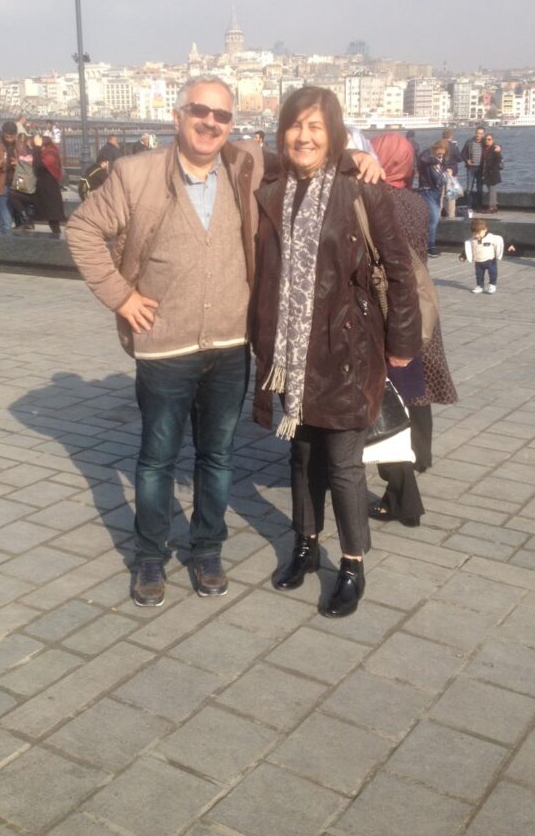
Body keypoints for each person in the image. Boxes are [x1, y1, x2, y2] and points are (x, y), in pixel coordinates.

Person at [66, 75, 383, 608]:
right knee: (156, 459)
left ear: (231, 126)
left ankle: (207, 549)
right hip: (164, 347)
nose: (211, 123)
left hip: (232, 345)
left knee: (217, 457)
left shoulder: (245, 165)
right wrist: (121, 297)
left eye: (222, 116)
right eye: (200, 112)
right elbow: (81, 230)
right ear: (177, 116)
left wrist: (357, 158)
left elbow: (310, 157)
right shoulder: (134, 173)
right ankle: (150, 557)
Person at [251, 87, 421, 618]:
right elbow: (236, 154)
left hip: (345, 347)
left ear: (335, 134)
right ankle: (305, 542)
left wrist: (402, 344)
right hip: (290, 352)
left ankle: (351, 563)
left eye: (317, 128)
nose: (304, 137)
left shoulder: (361, 190)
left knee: (345, 463)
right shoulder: (271, 187)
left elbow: (399, 268)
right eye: (295, 126)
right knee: (301, 453)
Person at [368, 132, 458, 522]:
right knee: (415, 394)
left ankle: (403, 495)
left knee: (391, 398)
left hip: (391, 311)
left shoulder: (376, 201)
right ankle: (420, 457)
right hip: (421, 310)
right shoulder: (418, 203)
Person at [417, 138, 448, 256]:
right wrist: (435, 159)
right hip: (427, 189)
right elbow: (422, 159)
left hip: (437, 191)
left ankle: (424, 243)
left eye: (444, 151)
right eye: (440, 151)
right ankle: (431, 245)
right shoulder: (427, 154)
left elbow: (442, 170)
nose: (442, 154)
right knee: (434, 218)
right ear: (436, 148)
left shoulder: (442, 158)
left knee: (430, 218)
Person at [461, 218, 504, 293]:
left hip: (490, 260)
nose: (477, 235)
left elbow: (499, 243)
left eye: (479, 233)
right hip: (478, 261)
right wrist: (463, 256)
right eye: (474, 233)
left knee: (492, 273)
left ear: (485, 229)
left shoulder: (491, 238)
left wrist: (498, 254)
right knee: (479, 274)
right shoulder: (472, 240)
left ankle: (492, 285)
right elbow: (468, 248)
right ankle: (480, 286)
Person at [33, 135, 65, 237]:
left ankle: (57, 239)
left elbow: (38, 164)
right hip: (45, 187)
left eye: (40, 146)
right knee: (52, 218)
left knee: (53, 218)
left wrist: (37, 148)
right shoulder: (48, 152)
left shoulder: (51, 153)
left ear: (45, 145)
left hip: (49, 189)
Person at [8, 133, 37, 230]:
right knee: (17, 196)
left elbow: (27, 163)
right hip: (23, 180)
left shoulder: (30, 152)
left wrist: (19, 162)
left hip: (25, 181)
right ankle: (24, 221)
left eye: (23, 141)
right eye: (20, 141)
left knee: (14, 195)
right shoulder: (18, 150)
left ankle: (26, 220)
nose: (21, 144)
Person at [461, 125, 485, 208]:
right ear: (475, 133)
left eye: (481, 134)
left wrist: (499, 147)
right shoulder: (469, 142)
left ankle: (479, 206)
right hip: (471, 168)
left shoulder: (485, 142)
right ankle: (469, 206)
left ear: (483, 134)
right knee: (469, 188)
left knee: (480, 188)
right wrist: (467, 160)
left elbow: (494, 144)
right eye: (478, 133)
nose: (479, 135)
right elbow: (462, 153)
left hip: (481, 168)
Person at [480, 133, 503, 213]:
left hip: (493, 173)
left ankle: (491, 207)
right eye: (486, 139)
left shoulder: (494, 148)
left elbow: (499, 158)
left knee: (492, 190)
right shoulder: (485, 148)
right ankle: (494, 206)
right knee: (491, 190)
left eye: (489, 139)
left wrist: (493, 168)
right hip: (487, 172)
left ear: (492, 140)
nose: (487, 141)